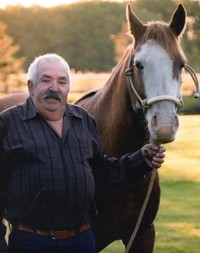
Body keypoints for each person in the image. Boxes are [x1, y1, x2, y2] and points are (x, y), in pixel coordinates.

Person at [0, 53, 166, 253]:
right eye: (46, 80)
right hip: (31, 242)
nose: (54, 88)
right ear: (31, 86)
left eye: (61, 81)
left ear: (68, 87)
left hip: (81, 241)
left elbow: (101, 171)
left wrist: (140, 160)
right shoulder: (8, 124)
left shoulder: (84, 121)